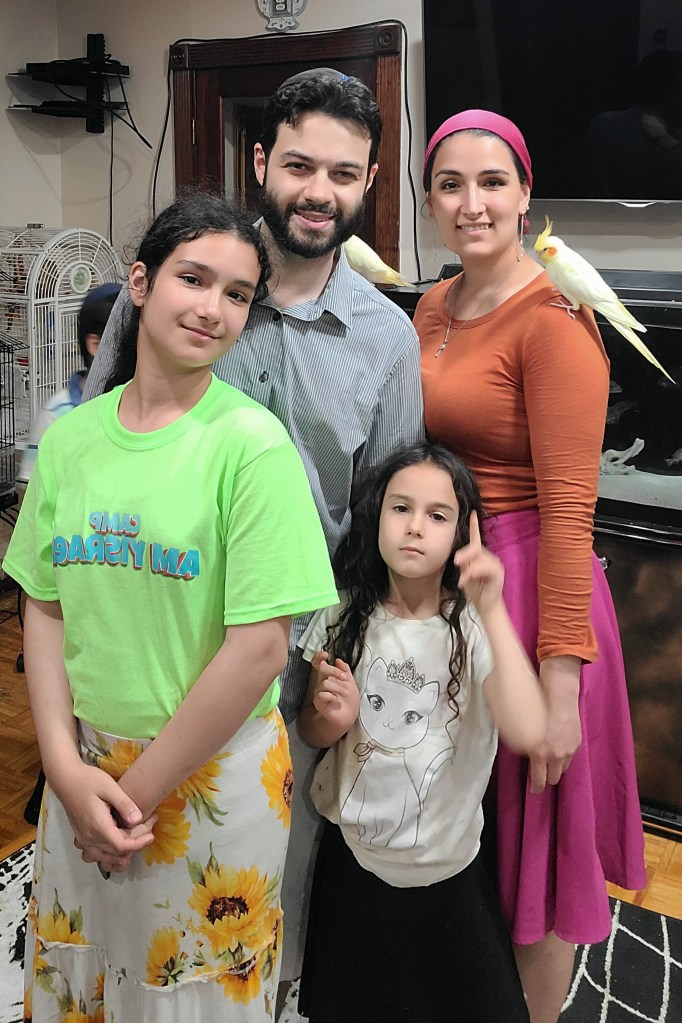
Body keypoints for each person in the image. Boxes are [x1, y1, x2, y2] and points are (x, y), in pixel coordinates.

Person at [83, 68, 424, 979]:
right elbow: (95, 447)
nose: (321, 191)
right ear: (262, 161)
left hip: (285, 661)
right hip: (138, 642)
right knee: (116, 872)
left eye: (346, 174)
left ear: (370, 180)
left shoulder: (389, 341)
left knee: (260, 892)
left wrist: (345, 663)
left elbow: (383, 523)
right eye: (302, 165)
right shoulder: (173, 298)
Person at [3, 193, 339, 1022]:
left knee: (190, 997)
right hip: (83, 765)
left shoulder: (253, 447)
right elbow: (43, 604)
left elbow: (259, 650)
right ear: (141, 283)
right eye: (195, 278)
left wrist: (134, 792)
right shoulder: (74, 441)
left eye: (236, 294)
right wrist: (65, 770)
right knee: (81, 976)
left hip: (208, 778)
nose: (214, 308)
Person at [415, 109, 647, 1023]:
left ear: (524, 196)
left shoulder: (555, 321)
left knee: (540, 837)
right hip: (458, 593)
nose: (472, 203)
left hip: (535, 599)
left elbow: (568, 513)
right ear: (430, 202)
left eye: (492, 183)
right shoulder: (434, 304)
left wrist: (559, 685)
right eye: (450, 185)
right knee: (481, 835)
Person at [296, 441, 545, 1022]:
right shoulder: (342, 614)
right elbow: (312, 729)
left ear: (462, 533)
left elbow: (530, 728)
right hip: (352, 862)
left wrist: (493, 605)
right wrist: (328, 721)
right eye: (400, 508)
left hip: (449, 870)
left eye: (437, 515)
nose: (415, 528)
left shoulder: (473, 626)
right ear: (376, 515)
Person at [18, 282, 121, 484]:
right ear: (95, 345)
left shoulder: (142, 406)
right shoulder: (58, 413)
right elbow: (29, 488)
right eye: (129, 341)